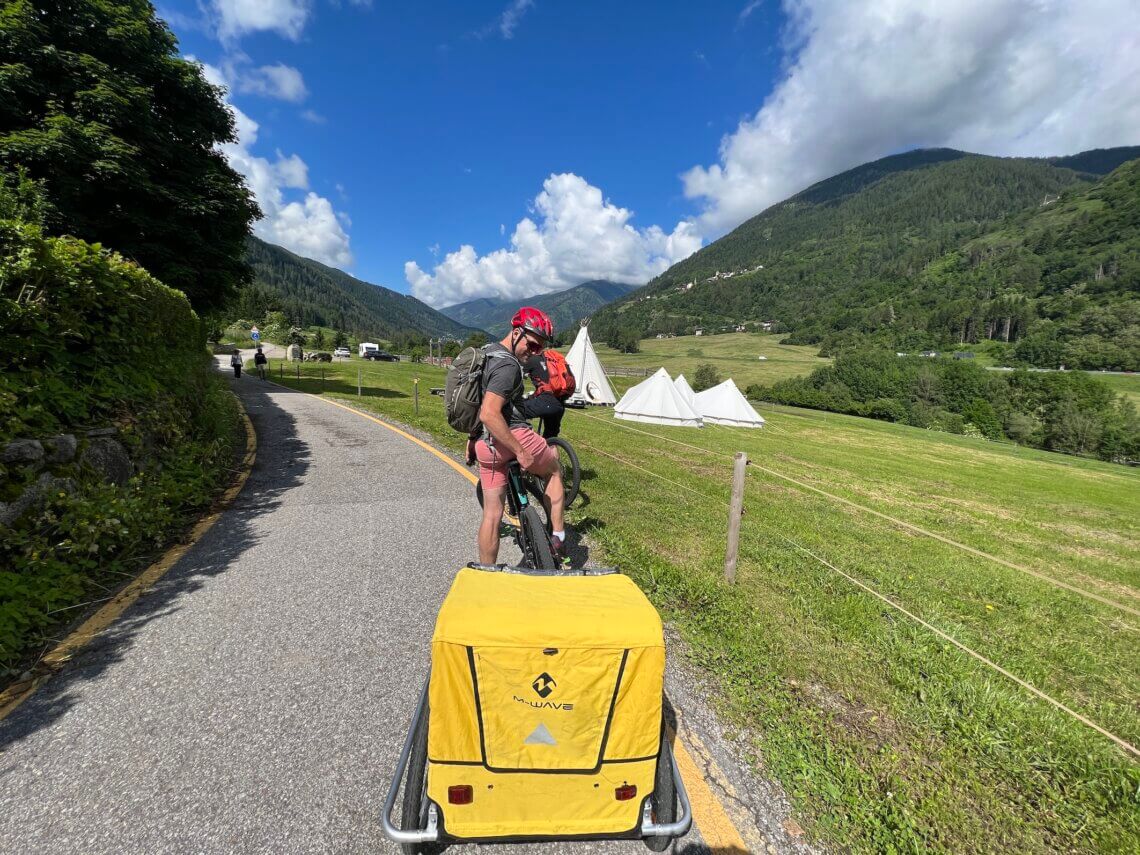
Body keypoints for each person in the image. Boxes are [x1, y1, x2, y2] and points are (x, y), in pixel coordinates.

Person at [465, 307, 569, 568]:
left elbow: (479, 405)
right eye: (532, 346)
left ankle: (487, 573)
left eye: (540, 349)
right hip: (514, 435)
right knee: (554, 469)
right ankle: (558, 537)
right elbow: (489, 413)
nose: (534, 353)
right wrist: (521, 451)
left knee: (492, 514)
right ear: (516, 333)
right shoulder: (508, 365)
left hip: (487, 446)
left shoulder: (487, 355)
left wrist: (472, 438)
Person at [521, 351, 567, 438]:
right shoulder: (550, 360)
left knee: (514, 412)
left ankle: (525, 442)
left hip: (546, 401)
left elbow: (514, 376)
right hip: (559, 403)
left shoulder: (531, 359)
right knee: (551, 439)